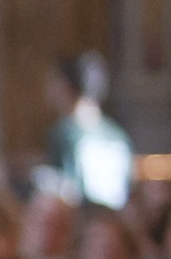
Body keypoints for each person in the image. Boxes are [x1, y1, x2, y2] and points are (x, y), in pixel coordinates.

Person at [44, 52, 132, 209]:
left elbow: (66, 189)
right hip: (114, 215)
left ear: (65, 86)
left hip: (82, 219)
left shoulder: (65, 133)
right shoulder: (117, 134)